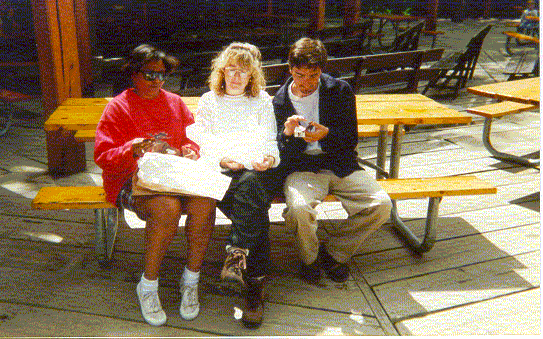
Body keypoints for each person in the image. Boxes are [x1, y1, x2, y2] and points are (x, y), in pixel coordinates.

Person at [94, 44, 217, 327]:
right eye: (150, 75)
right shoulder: (118, 106)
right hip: (130, 180)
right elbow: (103, 157)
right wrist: (132, 149)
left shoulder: (174, 102)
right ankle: (148, 285)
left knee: (205, 202)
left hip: (173, 176)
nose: (158, 81)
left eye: (162, 76)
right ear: (134, 75)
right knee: (166, 208)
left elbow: (192, 138)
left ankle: (190, 280)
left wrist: (190, 149)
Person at [272, 37, 392, 284]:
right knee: (298, 208)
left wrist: (327, 135)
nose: (305, 82)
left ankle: (335, 252)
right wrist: (289, 135)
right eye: (299, 74)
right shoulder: (278, 102)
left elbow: (350, 140)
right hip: (302, 168)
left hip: (340, 164)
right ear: (290, 69)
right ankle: (310, 258)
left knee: (381, 205)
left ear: (322, 70)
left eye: (313, 75)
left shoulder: (339, 90)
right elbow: (280, 154)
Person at [187, 42, 283, 328]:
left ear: (253, 74)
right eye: (231, 70)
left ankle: (238, 254)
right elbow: (201, 141)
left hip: (254, 170)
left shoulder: (262, 101)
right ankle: (252, 285)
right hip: (222, 170)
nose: (236, 77)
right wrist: (224, 160)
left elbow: (270, 141)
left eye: (243, 71)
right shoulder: (208, 101)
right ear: (222, 71)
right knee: (254, 210)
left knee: (252, 184)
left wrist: (269, 157)